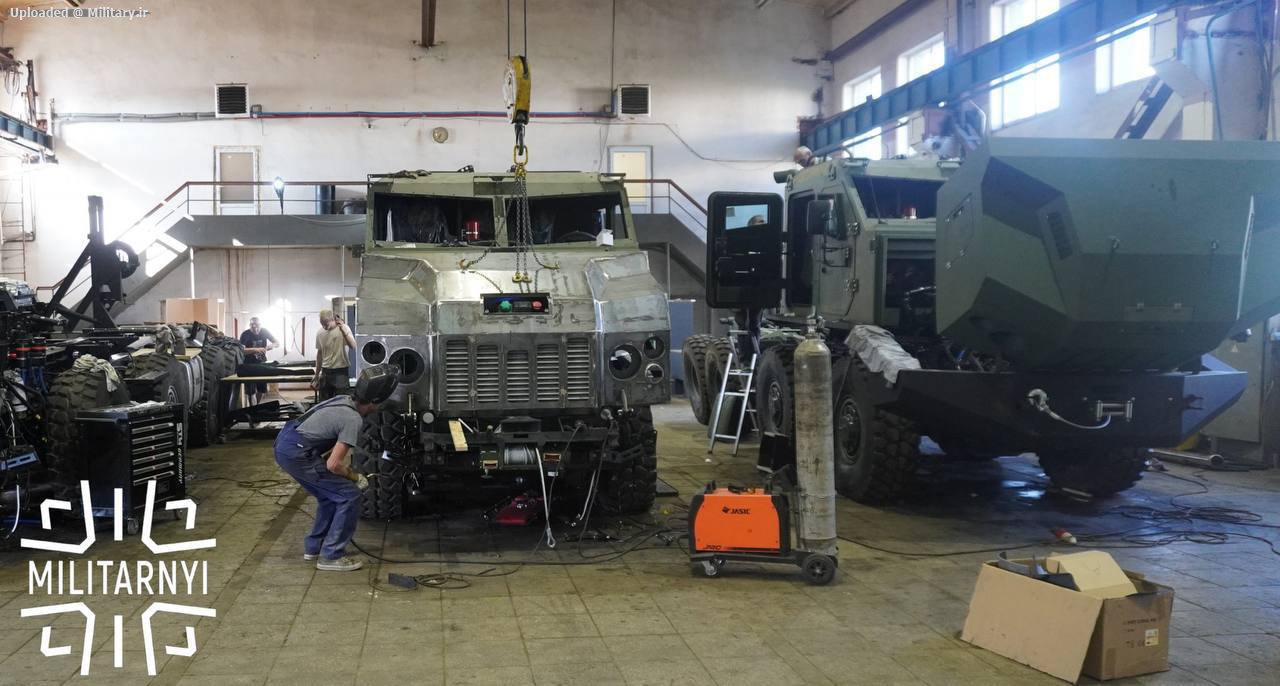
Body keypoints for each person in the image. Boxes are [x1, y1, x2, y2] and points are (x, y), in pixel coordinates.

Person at [274, 363, 398, 571]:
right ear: (375, 402)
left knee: (329, 496)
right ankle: (331, 556)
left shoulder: (343, 400)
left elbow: (327, 446)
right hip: (296, 452)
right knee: (349, 495)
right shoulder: (353, 419)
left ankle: (314, 547)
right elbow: (333, 465)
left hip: (287, 443)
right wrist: (355, 477)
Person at [313, 309, 356, 400]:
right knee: (324, 403)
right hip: (325, 372)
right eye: (322, 324)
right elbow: (319, 354)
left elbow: (353, 346)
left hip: (340, 371)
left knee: (341, 401)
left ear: (332, 319)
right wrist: (316, 374)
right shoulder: (320, 333)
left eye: (326, 324)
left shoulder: (344, 328)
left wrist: (344, 331)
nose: (324, 326)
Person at [238, 316, 278, 405]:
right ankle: (252, 407)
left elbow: (277, 342)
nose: (255, 327)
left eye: (257, 325)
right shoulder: (245, 334)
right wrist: (255, 350)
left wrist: (270, 346)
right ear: (250, 325)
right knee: (250, 391)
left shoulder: (265, 331)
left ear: (260, 325)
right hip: (249, 364)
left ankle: (257, 406)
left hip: (262, 363)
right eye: (252, 325)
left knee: (262, 388)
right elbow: (241, 350)